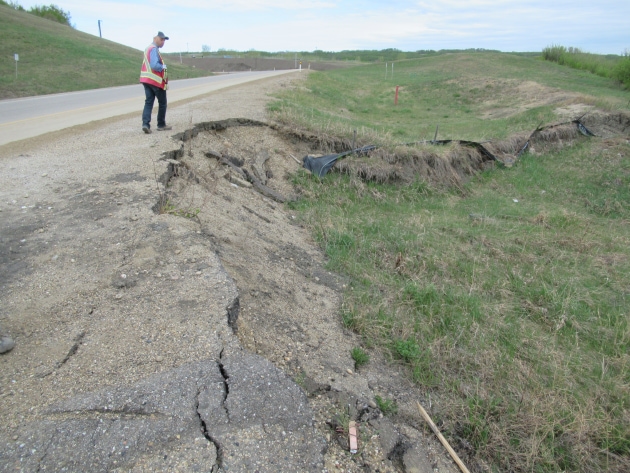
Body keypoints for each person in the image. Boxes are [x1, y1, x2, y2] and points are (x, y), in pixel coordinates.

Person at [140, 31, 172, 134]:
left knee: (149, 102)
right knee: (162, 102)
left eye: (164, 40)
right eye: (161, 39)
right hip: (155, 81)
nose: (163, 42)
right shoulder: (153, 49)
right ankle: (161, 124)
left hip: (146, 79)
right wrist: (163, 67)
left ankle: (145, 124)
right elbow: (154, 65)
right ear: (155, 38)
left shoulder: (147, 48)